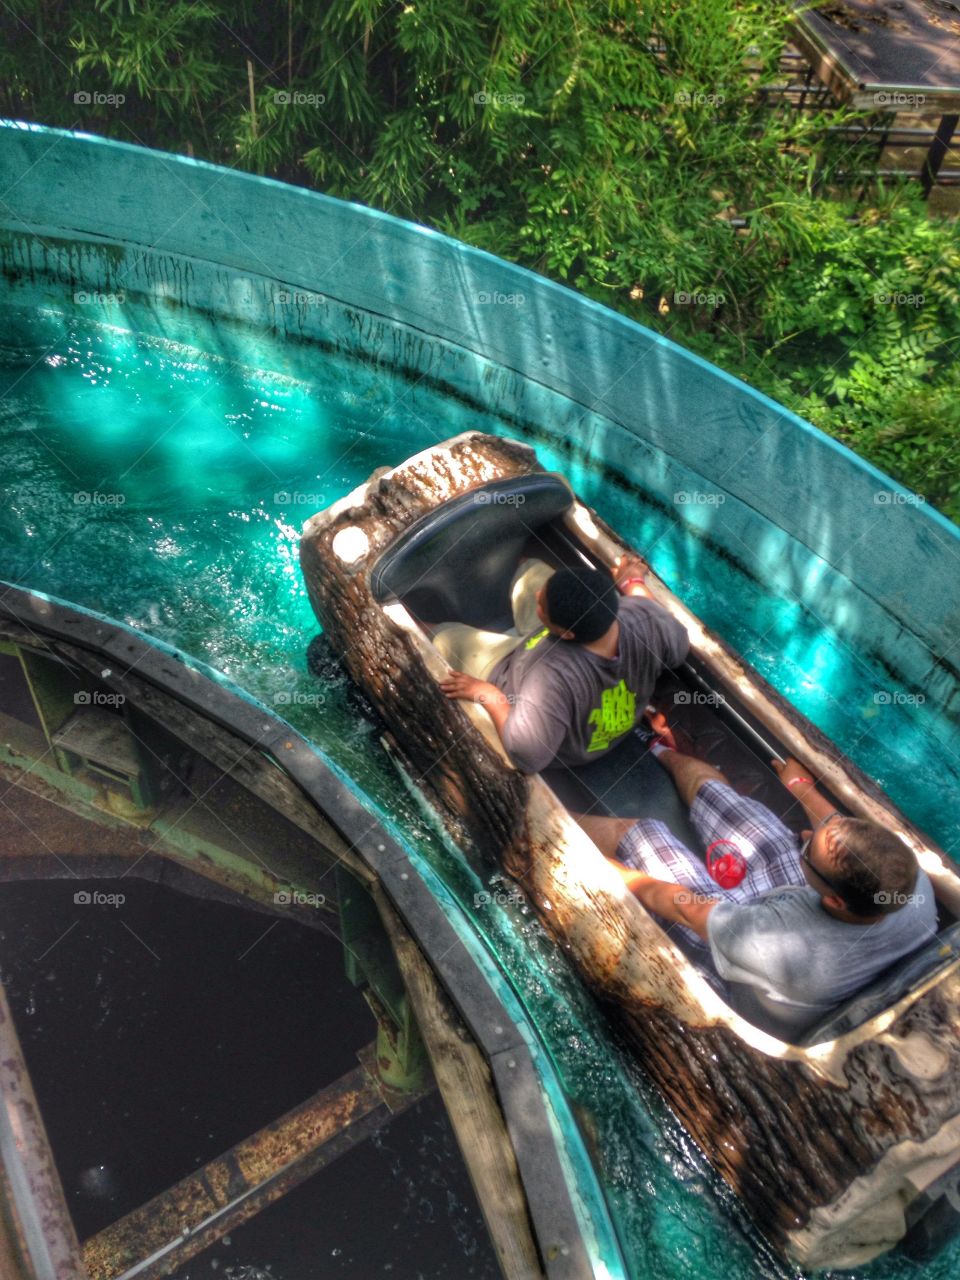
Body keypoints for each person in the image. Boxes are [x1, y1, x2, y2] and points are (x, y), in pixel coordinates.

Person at [577, 718, 938, 1040]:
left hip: (749, 968)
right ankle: (655, 747)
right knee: (717, 795)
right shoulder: (905, 878)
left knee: (643, 835)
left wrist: (609, 871)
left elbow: (683, 908)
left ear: (835, 900)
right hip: (793, 917)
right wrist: (799, 785)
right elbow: (840, 832)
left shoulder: (773, 944)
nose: (805, 836)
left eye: (807, 852)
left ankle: (565, 819)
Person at [437, 556, 689, 775]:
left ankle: (436, 631)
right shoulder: (642, 616)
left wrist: (488, 694)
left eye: (541, 605)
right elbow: (678, 646)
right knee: (532, 568)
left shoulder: (551, 678)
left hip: (509, 675)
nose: (538, 596)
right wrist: (632, 582)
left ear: (565, 634)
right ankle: (533, 579)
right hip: (557, 661)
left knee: (441, 635)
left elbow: (527, 756)